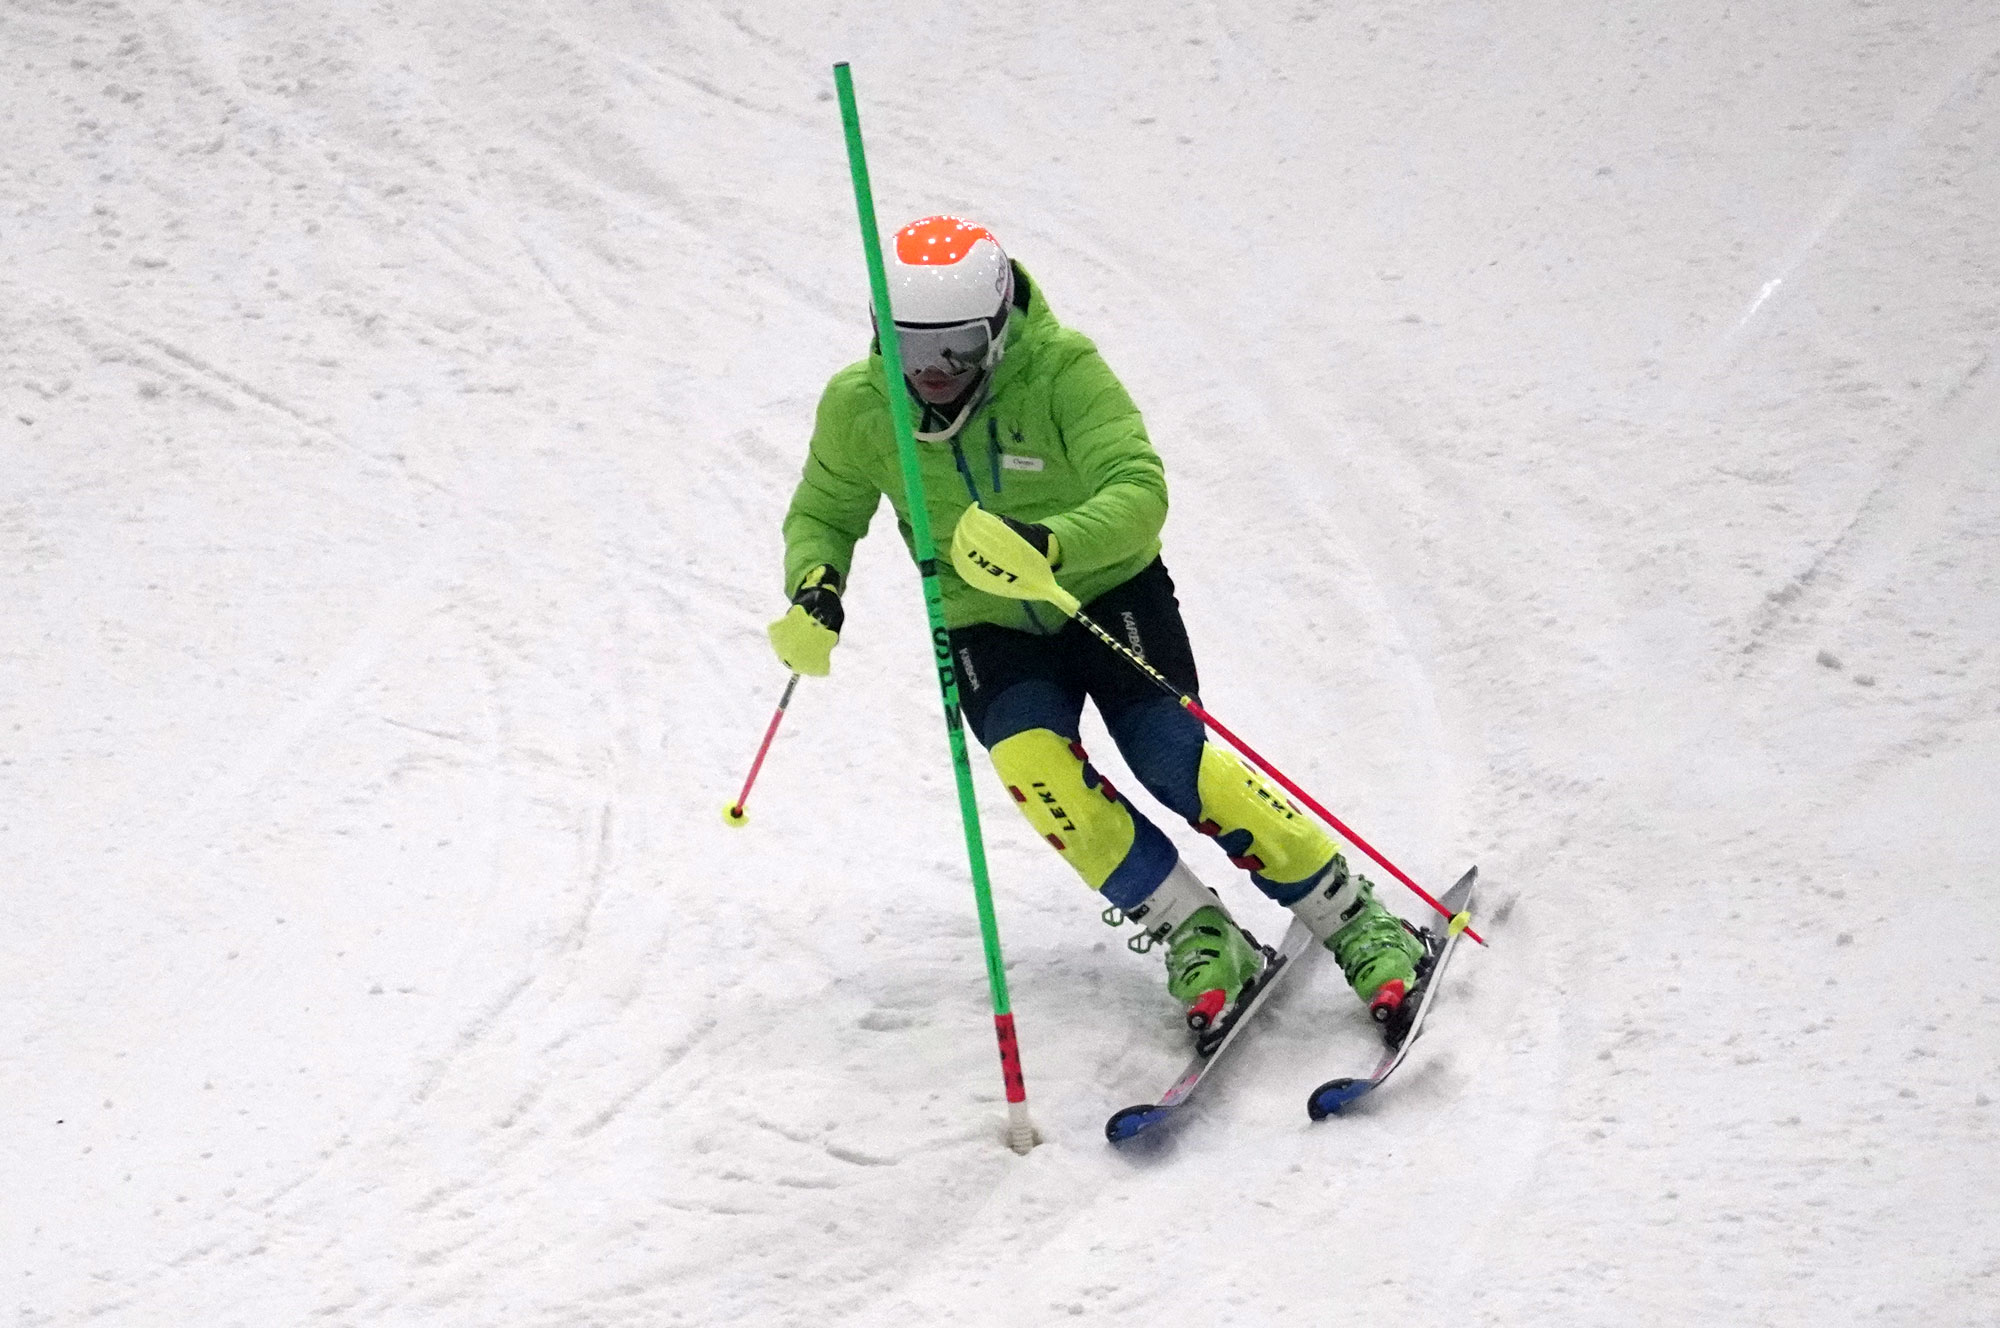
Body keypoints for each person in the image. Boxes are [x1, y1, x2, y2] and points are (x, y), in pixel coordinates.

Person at [768, 214, 1426, 1039]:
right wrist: (816, 585)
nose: (932, 371)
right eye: (908, 347)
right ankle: (1197, 932)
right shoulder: (861, 407)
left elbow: (1140, 488)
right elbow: (824, 512)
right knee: (1038, 774)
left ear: (997, 326)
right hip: (983, 623)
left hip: (1106, 593)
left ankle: (1354, 916)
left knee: (1174, 761)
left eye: (958, 348)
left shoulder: (1062, 370)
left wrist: (1052, 543)